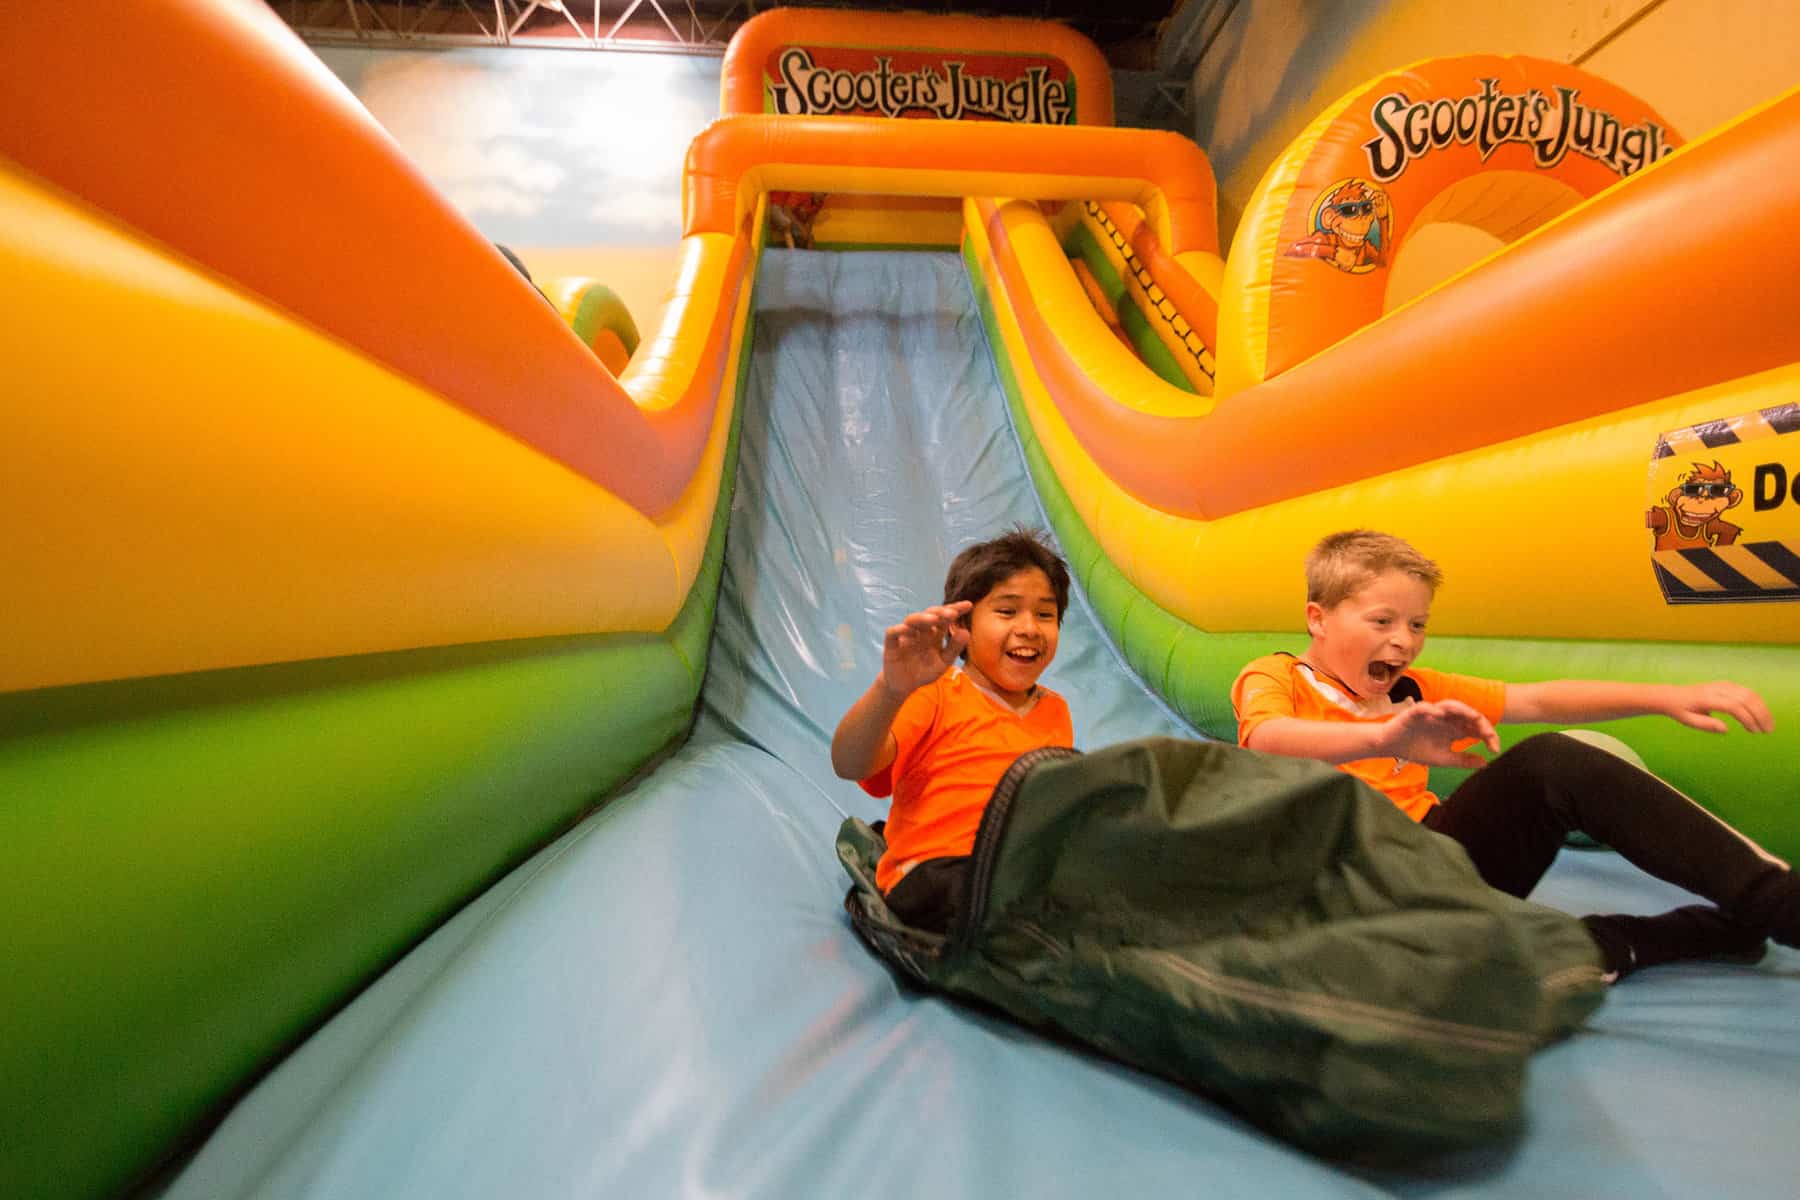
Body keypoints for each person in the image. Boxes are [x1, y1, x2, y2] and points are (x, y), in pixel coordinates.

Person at [1232, 529, 1799, 981]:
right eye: (1382, 621)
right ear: (1318, 617)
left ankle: (1775, 902)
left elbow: (1538, 698)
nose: (1404, 640)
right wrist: (1385, 739)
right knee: (1506, 957)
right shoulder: (1279, 676)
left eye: (1418, 624)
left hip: (1436, 861)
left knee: (1552, 761)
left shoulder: (1415, 690)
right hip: (1348, 883)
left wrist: (1665, 696)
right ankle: (1701, 933)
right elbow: (1266, 738)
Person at [832, 527, 1072, 933]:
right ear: (963, 627)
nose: (1030, 627)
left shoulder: (1056, 710)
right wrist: (890, 690)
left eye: (1045, 614)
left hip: (1016, 877)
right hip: (935, 874)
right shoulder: (935, 694)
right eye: (1007, 611)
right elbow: (849, 762)